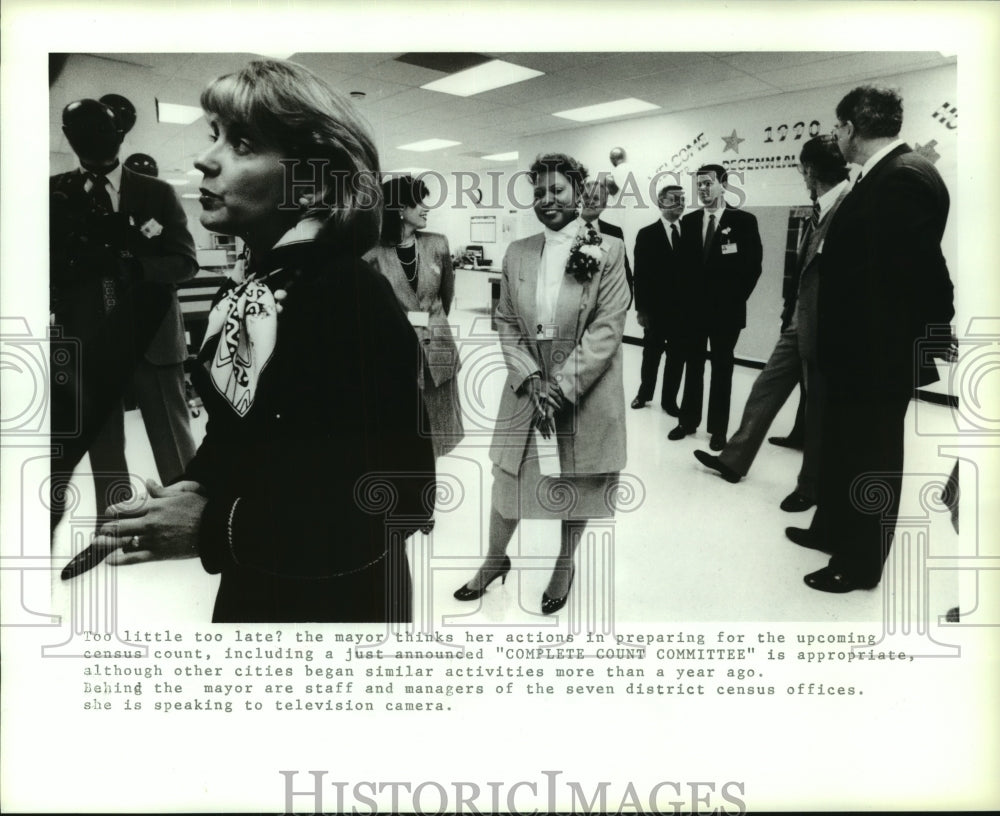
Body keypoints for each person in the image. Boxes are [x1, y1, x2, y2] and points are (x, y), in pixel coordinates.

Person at [94, 59, 435, 621]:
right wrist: (198, 484)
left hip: (337, 604)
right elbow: (245, 429)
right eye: (216, 136)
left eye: (244, 144)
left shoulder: (347, 295)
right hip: (266, 575)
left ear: (314, 181)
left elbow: (401, 501)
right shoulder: (263, 285)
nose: (206, 158)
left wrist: (216, 525)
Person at [789, 85, 954, 593]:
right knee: (845, 447)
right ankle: (833, 532)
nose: (835, 136)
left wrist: (930, 335)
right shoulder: (886, 174)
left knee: (872, 458)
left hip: (876, 354)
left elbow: (917, 272)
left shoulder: (902, 177)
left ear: (851, 128)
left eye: (838, 128)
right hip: (859, 350)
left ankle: (859, 565)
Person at [453, 153, 629, 615]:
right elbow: (507, 320)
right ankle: (494, 560)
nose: (547, 200)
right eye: (538, 192)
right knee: (508, 476)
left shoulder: (608, 250)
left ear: (578, 191)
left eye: (557, 190)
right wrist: (531, 377)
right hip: (527, 380)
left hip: (585, 386)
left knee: (579, 475)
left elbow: (607, 328)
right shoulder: (518, 252)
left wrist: (562, 387)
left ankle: (564, 564)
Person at [50, 96, 198, 536]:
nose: (89, 140)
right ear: (68, 138)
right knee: (103, 446)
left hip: (151, 335)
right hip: (91, 340)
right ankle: (113, 530)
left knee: (173, 441)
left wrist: (135, 267)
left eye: (99, 129)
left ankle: (189, 521)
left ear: (119, 134)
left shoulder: (157, 192)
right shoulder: (55, 193)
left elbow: (186, 262)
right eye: (78, 132)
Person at [693, 136, 850, 512]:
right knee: (764, 388)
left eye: (801, 169)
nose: (801, 175)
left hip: (825, 326)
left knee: (817, 409)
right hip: (798, 320)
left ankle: (810, 487)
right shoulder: (821, 206)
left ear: (810, 170)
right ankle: (733, 460)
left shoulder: (851, 204)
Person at [365, 175, 464, 459]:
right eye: (419, 201)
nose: (425, 208)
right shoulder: (373, 253)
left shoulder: (438, 244)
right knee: (404, 435)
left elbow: (446, 297)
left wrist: (431, 324)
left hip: (437, 350)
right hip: (397, 351)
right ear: (399, 208)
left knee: (439, 434)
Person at [670, 163, 762, 451]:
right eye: (699, 185)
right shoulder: (688, 222)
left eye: (709, 183)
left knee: (722, 369)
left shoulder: (744, 221)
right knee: (693, 365)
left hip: (726, 313)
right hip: (693, 313)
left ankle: (718, 430)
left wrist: (733, 300)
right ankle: (688, 420)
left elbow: (752, 268)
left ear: (724, 184)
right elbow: (681, 270)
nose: (703, 189)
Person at [631, 184, 690, 415]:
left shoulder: (691, 232)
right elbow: (640, 275)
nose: (680, 204)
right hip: (655, 311)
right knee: (651, 355)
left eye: (683, 200)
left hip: (683, 311)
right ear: (661, 202)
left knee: (677, 358)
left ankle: (669, 401)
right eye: (674, 199)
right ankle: (644, 394)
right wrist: (641, 310)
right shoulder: (647, 234)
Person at [581, 178, 633, 303]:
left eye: (596, 199)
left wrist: (627, 298)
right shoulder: (567, 228)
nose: (590, 202)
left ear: (604, 205)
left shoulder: (614, 232)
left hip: (607, 302)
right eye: (586, 197)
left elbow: (623, 267)